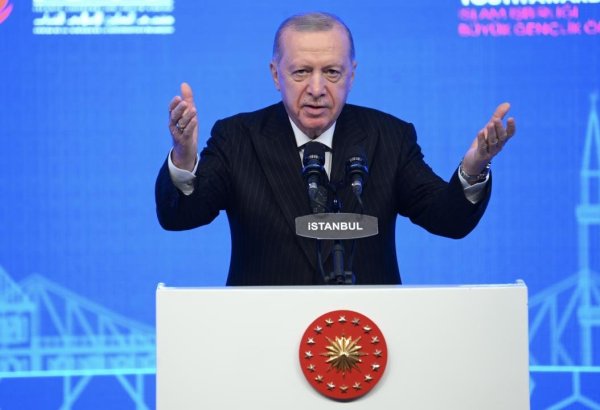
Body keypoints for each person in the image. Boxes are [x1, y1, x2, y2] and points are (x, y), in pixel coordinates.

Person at [155, 12, 516, 286]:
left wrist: (473, 169)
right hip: (263, 338)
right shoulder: (238, 137)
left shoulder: (388, 136)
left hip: (369, 341)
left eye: (331, 72)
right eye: (301, 72)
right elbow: (180, 217)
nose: (316, 88)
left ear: (351, 75)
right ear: (275, 74)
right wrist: (184, 156)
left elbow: (448, 219)